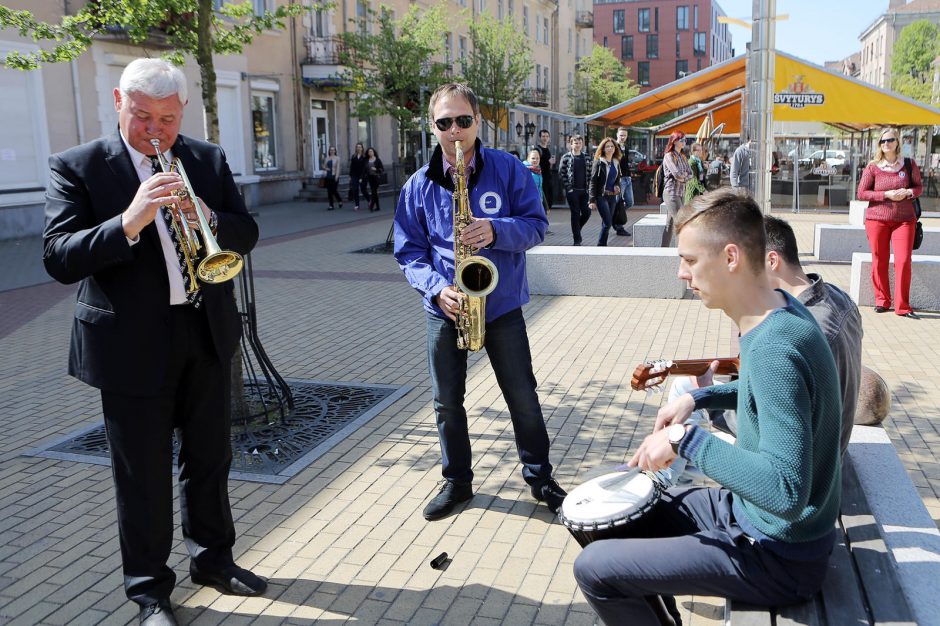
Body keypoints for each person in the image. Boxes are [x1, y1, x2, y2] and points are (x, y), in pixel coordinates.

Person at [42, 58, 263, 626]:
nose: (156, 131)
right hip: (130, 345)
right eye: (143, 117)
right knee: (141, 474)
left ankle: (214, 561)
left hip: (204, 331)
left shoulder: (206, 159)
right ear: (118, 101)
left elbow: (246, 233)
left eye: (167, 118)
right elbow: (58, 257)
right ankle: (149, 592)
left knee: (210, 459)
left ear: (182, 110)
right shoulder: (79, 167)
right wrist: (130, 220)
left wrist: (209, 214)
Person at [574, 189, 843, 626]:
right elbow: (771, 399)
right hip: (751, 515)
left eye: (691, 260)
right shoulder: (780, 311)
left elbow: (785, 493)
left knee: (594, 569)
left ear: (731, 257)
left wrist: (685, 440)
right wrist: (696, 398)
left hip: (779, 554)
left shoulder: (775, 347)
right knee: (615, 517)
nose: (682, 273)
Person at [393, 82, 566, 521]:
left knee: (521, 396)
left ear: (478, 121)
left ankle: (540, 476)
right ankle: (457, 481)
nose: (455, 131)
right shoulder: (418, 185)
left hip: (501, 305)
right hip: (446, 308)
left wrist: (495, 230)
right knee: (446, 402)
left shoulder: (509, 170)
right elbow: (408, 249)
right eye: (445, 122)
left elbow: (536, 225)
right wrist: (435, 287)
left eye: (463, 121)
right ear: (432, 127)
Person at [667, 215, 863, 458]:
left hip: (809, 461)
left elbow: (762, 429)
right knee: (684, 390)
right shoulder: (837, 298)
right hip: (824, 443)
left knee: (684, 404)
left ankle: (664, 481)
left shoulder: (798, 333)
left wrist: (710, 404)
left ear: (771, 261)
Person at [856, 127, 922, 319]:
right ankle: (882, 301)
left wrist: (908, 193)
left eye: (890, 140)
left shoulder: (909, 164)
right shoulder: (873, 167)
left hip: (904, 220)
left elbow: (918, 187)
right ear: (879, 145)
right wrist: (886, 195)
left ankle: (903, 306)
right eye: (883, 141)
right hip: (877, 219)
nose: (887, 144)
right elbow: (861, 193)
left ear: (897, 142)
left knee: (902, 261)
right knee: (880, 260)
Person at [588, 138, 623, 247]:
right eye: (607, 146)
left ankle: (603, 245)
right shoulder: (598, 162)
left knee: (606, 223)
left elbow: (617, 177)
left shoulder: (616, 162)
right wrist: (592, 200)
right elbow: (593, 182)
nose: (610, 148)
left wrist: (617, 185)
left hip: (612, 196)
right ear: (603, 148)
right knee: (608, 223)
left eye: (612, 146)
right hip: (601, 196)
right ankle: (600, 245)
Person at [559, 134, 593, 246]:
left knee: (587, 212)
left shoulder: (587, 157)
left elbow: (592, 173)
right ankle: (577, 239)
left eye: (579, 143)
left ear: (582, 144)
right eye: (575, 143)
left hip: (584, 191)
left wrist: (590, 189)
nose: (577, 145)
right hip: (572, 191)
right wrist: (568, 188)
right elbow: (561, 173)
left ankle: (577, 229)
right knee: (575, 213)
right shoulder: (566, 157)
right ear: (571, 144)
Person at [661, 131, 692, 244]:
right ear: (674, 141)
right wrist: (684, 176)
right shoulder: (669, 156)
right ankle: (684, 249)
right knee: (681, 221)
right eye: (682, 140)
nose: (684, 142)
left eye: (685, 140)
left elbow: (690, 173)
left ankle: (663, 249)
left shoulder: (683, 156)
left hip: (680, 192)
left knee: (670, 224)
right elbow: (677, 174)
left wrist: (683, 176)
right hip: (671, 192)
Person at [614, 127, 634, 237]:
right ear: (617, 135)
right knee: (618, 203)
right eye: (621, 135)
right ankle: (619, 226)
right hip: (619, 179)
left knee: (630, 202)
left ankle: (615, 218)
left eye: (625, 135)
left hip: (627, 178)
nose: (623, 137)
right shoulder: (614, 147)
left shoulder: (625, 147)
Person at [536, 129, 556, 212]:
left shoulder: (548, 149)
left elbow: (548, 165)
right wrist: (548, 162)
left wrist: (551, 163)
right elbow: (535, 163)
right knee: (543, 201)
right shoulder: (537, 150)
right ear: (540, 138)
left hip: (548, 178)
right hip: (541, 178)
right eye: (543, 136)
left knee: (549, 200)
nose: (545, 138)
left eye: (547, 136)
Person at [348, 142, 370, 211]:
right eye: (357, 147)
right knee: (355, 190)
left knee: (363, 190)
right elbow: (352, 167)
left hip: (363, 176)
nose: (358, 148)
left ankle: (370, 201)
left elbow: (364, 168)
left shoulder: (365, 157)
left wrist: (361, 177)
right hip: (354, 175)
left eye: (360, 147)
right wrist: (350, 176)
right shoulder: (354, 156)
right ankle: (357, 205)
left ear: (362, 148)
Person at [365, 147, 385, 212]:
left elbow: (382, 169)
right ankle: (378, 207)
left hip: (376, 177)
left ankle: (371, 206)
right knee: (374, 192)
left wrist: (376, 169)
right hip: (370, 178)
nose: (370, 153)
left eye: (371, 151)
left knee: (373, 192)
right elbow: (365, 169)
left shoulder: (377, 160)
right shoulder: (367, 160)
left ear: (373, 152)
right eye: (369, 152)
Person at [323, 145, 342, 211]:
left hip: (334, 176)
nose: (332, 151)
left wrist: (337, 176)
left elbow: (338, 168)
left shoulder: (337, 158)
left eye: (333, 150)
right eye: (331, 150)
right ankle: (331, 205)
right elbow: (324, 166)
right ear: (329, 151)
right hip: (328, 176)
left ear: (335, 151)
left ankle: (339, 200)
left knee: (334, 190)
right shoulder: (327, 158)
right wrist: (326, 168)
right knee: (329, 192)